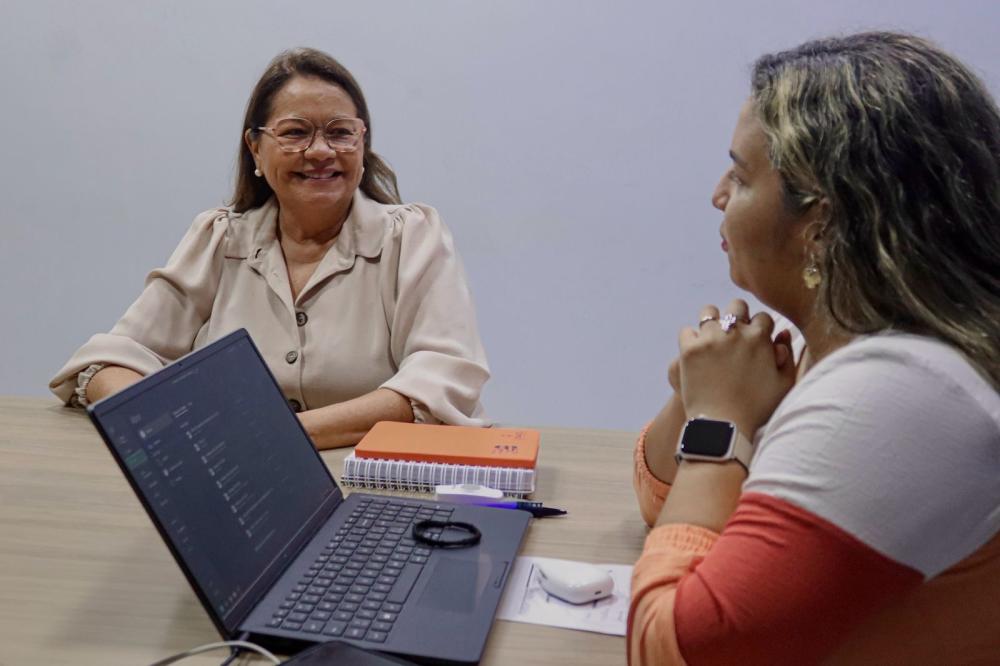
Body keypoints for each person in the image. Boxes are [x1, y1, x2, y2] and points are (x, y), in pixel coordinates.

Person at [629, 32, 1000, 664]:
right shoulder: (850, 341)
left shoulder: (899, 392)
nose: (718, 195)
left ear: (823, 222)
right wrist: (699, 393)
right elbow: (660, 497)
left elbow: (669, 650)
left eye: (741, 178)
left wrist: (720, 422)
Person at [49, 48, 490, 448]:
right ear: (256, 149)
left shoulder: (412, 236)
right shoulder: (219, 239)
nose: (320, 151)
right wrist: (180, 426)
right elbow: (105, 362)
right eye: (295, 133)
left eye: (340, 133)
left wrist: (275, 439)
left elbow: (441, 380)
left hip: (380, 490)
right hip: (242, 488)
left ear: (362, 143)